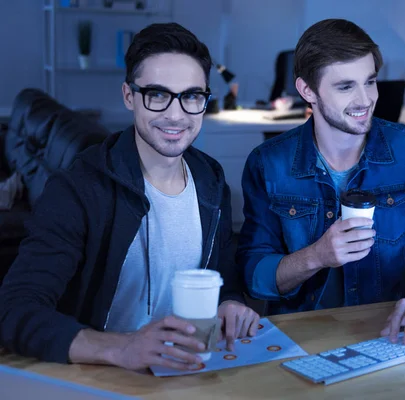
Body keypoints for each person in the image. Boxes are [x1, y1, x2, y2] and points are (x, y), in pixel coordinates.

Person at [0, 23, 259, 372]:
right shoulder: (78, 188)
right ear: (128, 96)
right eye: (157, 94)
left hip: (189, 372)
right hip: (103, 377)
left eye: (192, 96)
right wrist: (122, 348)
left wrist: (230, 302)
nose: (176, 114)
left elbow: (222, 272)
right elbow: (14, 309)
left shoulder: (211, 179)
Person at [237, 19, 405, 346]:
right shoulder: (268, 163)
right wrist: (317, 256)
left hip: (385, 334)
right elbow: (254, 275)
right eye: (346, 86)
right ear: (307, 90)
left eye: (370, 81)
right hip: (296, 340)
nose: (365, 100)